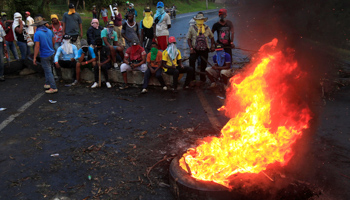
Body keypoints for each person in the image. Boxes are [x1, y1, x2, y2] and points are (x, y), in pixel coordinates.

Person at [32, 16, 58, 93]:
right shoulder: (49, 31)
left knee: (48, 71)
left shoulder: (37, 33)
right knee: (49, 70)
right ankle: (47, 83)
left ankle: (53, 87)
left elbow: (37, 46)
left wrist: (34, 57)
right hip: (51, 52)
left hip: (44, 54)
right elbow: (54, 42)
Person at [187, 12, 215, 82]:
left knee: (204, 65)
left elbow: (212, 37)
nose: (200, 21)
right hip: (194, 49)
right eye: (199, 20)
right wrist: (191, 48)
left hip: (205, 49)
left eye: (201, 19)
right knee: (192, 63)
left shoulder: (207, 28)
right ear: (196, 20)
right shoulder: (192, 28)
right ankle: (192, 78)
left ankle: (203, 79)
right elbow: (188, 39)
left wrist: (212, 46)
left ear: (203, 20)